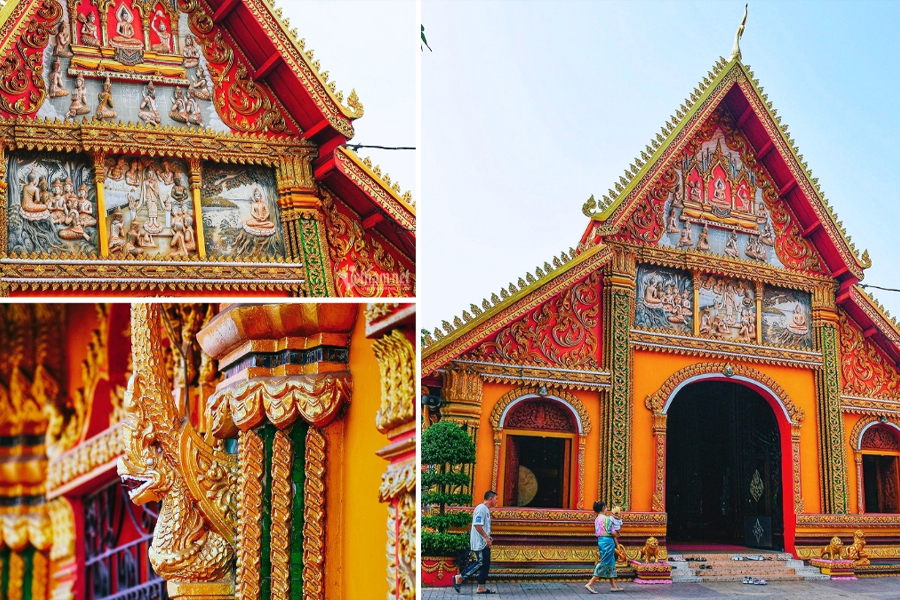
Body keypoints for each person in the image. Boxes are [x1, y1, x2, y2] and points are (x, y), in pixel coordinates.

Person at [453, 490, 498, 595]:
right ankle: (460, 577)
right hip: (480, 542)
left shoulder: (485, 509)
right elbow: (477, 525)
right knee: (481, 562)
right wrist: (486, 538)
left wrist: (488, 537)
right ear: (490, 499)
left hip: (484, 541)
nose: (497, 501)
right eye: (496, 499)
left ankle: (481, 587)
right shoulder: (481, 509)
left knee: (485, 564)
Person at [585, 501, 622, 594]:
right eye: (606, 507)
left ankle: (614, 586)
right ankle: (591, 583)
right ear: (603, 508)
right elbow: (613, 532)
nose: (607, 509)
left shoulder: (597, 519)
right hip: (608, 541)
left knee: (611, 561)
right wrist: (618, 533)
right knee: (605, 561)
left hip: (601, 541)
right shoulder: (607, 519)